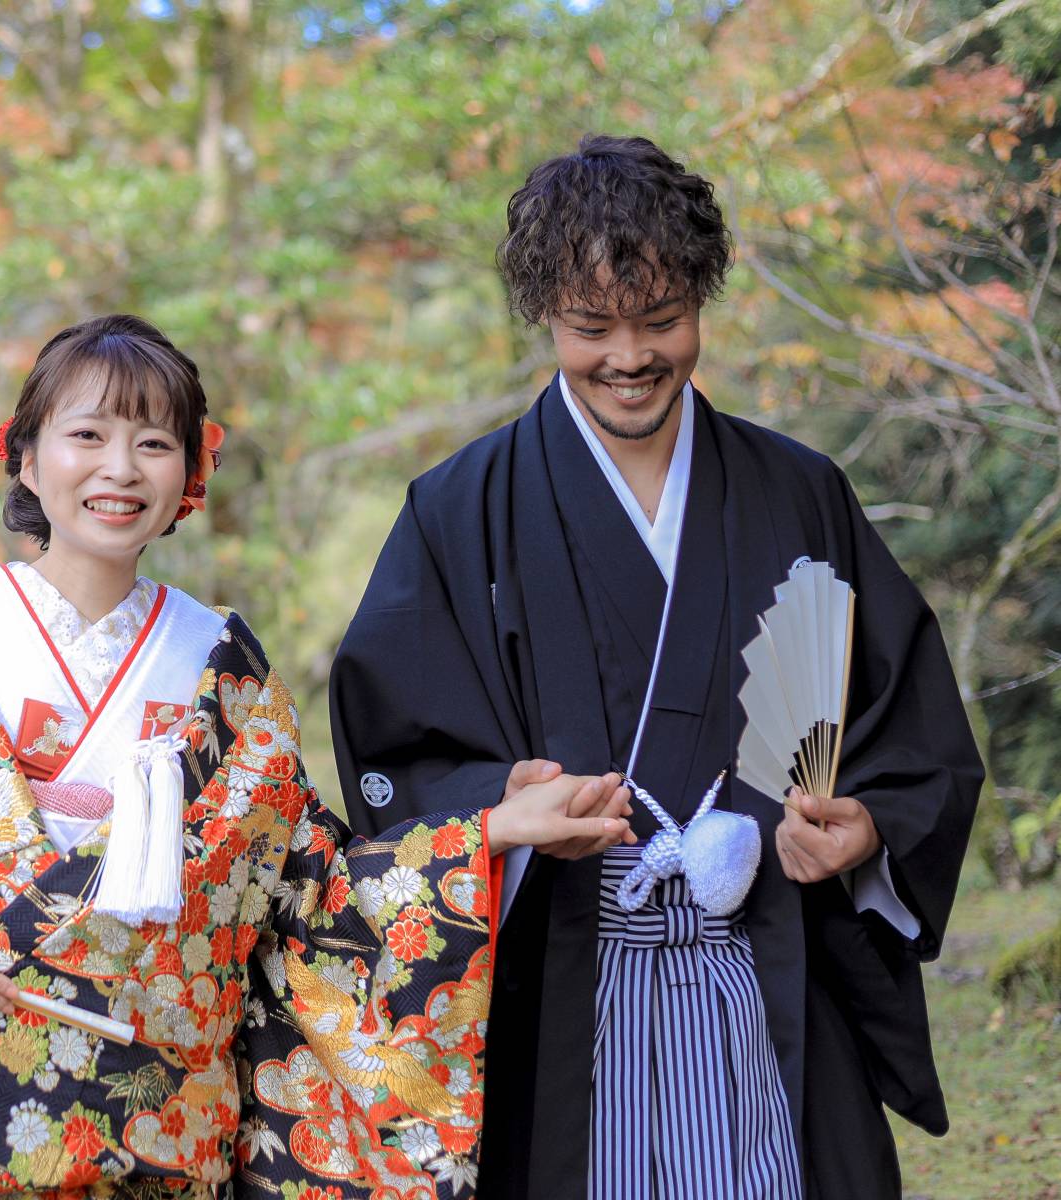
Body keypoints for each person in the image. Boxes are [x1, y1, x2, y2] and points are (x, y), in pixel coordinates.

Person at [0, 313, 632, 1199]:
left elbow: (309, 893)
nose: (120, 469)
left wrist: (488, 833)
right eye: (87, 435)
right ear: (27, 457)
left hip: (158, 1137)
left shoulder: (221, 667)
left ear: (191, 475)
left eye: (155, 443)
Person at [329, 135, 982, 1200]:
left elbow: (912, 732)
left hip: (771, 971)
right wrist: (504, 808)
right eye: (593, 328)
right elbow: (394, 758)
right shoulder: (459, 510)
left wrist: (865, 829)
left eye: (663, 321)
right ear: (546, 315)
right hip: (561, 989)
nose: (630, 355)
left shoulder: (799, 492)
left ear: (703, 302)